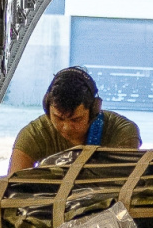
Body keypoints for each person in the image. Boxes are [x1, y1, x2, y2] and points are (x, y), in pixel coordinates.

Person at [8, 67, 141, 173]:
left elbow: (126, 185)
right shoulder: (34, 135)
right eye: (58, 118)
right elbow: (13, 187)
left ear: (94, 110)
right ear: (47, 110)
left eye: (76, 119)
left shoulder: (122, 132)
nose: (66, 127)